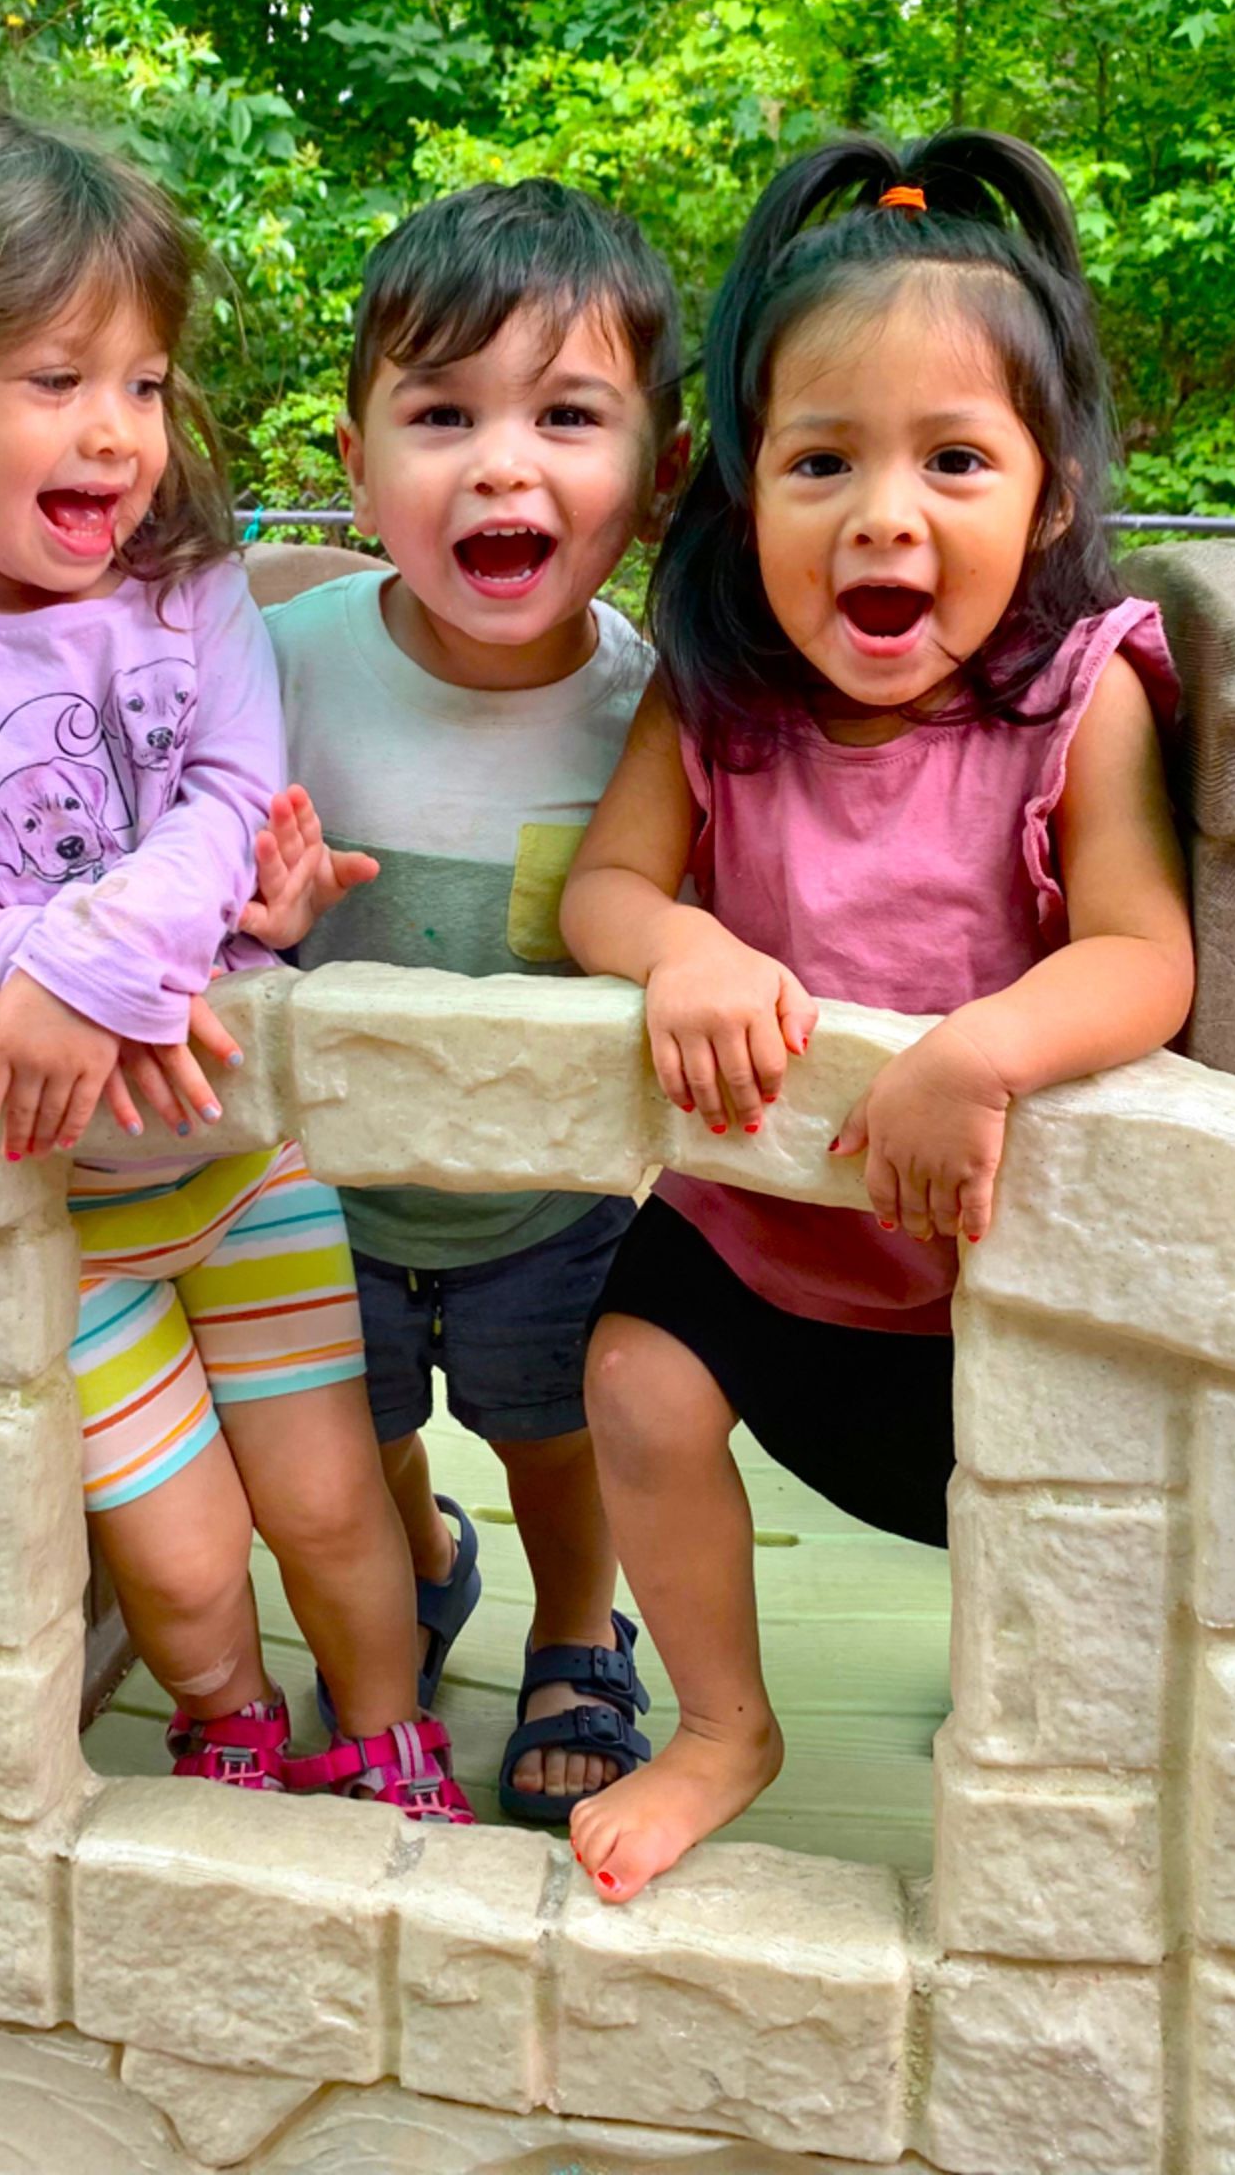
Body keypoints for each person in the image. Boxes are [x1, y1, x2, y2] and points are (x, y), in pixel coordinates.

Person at [0, 83, 470, 1822]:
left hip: (242, 1160)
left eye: (140, 381)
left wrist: (91, 971)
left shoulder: (187, 591)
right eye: (55, 381)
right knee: (189, 1552)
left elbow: (226, 798)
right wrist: (35, 982)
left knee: (328, 1504)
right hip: (59, 1214)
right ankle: (227, 1719)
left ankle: (388, 1735)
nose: (118, 433)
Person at [559, 130, 1196, 1898]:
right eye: (821, 460)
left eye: (956, 460)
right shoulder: (716, 704)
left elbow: (1146, 953)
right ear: (746, 494)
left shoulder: (1080, 702)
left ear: (1052, 495)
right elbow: (606, 891)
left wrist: (981, 1048)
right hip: (760, 1236)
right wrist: (680, 948)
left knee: (1047, 1553)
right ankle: (719, 1725)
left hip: (979, 1273)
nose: (884, 514)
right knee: (633, 1382)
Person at [251, 180, 688, 1818]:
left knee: (554, 1435)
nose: (502, 462)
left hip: (550, 1196)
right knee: (352, 1430)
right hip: (314, 1185)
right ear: (359, 466)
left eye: (567, 416)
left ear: (647, 480)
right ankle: (424, 1565)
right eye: (443, 414)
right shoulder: (279, 661)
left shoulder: (652, 705)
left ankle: (579, 1625)